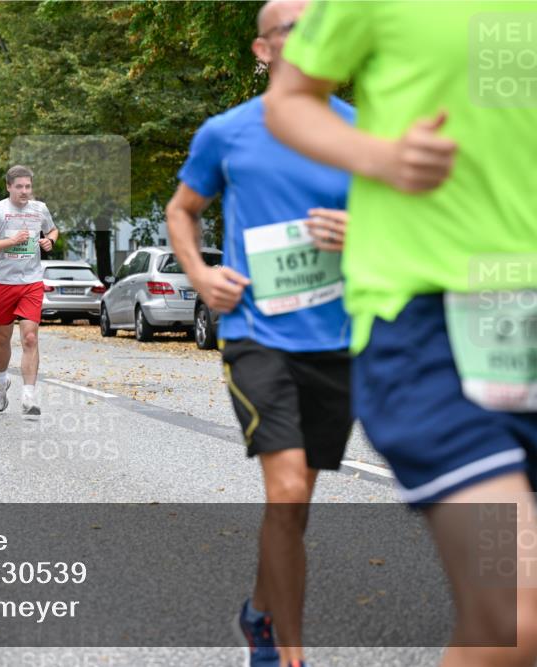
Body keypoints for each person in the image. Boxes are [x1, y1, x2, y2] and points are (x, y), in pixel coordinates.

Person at [265, 2, 537, 665]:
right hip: (431, 326)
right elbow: (290, 99)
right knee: (517, 612)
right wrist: (382, 156)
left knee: (493, 627)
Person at [165, 3, 355, 666]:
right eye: (294, 31)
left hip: (336, 340)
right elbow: (182, 210)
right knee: (288, 488)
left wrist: (367, 236)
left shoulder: (362, 134)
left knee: (296, 504)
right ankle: (287, 653)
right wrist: (199, 274)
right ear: (262, 50)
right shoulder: (229, 132)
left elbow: (407, 227)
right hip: (257, 333)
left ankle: (259, 613)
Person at [0, 165, 58, 416]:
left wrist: (50, 240)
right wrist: (11, 241)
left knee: (30, 337)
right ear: (9, 187)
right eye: (19, 187)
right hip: (3, 282)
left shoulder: (39, 209)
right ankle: (2, 382)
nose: (24, 191)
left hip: (31, 281)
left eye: (28, 186)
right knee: (3, 337)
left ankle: (29, 395)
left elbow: (53, 229)